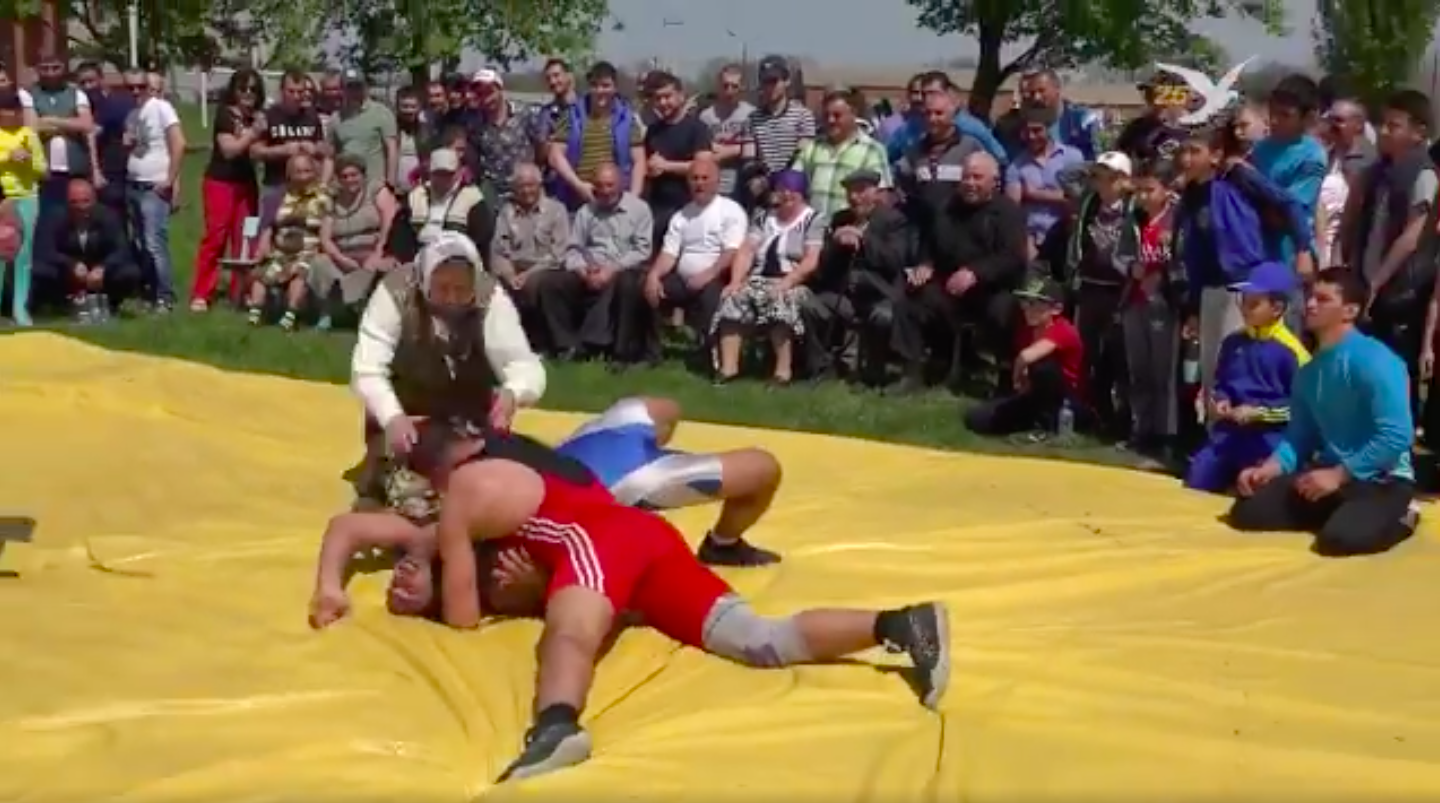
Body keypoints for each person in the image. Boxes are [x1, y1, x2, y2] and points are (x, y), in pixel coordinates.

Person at [409, 429, 951, 782]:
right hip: (647, 538)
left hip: (599, 541)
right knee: (761, 638)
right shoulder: (542, 463)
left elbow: (463, 618)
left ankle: (556, 725)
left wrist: (443, 586)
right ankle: (899, 623)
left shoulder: (466, 490)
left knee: (569, 633)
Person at [1230, 269, 1419, 557]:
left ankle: (1403, 516)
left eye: (1323, 299)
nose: (1310, 305)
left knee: (1340, 541)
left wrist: (1340, 474)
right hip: (1329, 477)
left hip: (1382, 479)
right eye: (1310, 297)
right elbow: (1299, 438)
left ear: (1350, 311)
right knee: (1247, 512)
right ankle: (1340, 514)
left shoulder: (1377, 360)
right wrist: (1268, 469)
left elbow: (1397, 436)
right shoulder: (1309, 372)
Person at [349, 231, 545, 507]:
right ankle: (381, 474)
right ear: (424, 280)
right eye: (442, 288)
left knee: (474, 481)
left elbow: (523, 364)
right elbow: (367, 370)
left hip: (467, 410)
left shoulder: (491, 298)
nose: (452, 299)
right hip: (407, 406)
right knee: (400, 485)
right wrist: (391, 416)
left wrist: (513, 392)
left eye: (462, 290)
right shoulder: (394, 293)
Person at [556, 396, 781, 565]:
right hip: (618, 484)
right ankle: (723, 546)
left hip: (574, 459)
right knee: (764, 468)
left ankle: (652, 473)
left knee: (665, 408)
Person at [1184, 262, 1309, 492]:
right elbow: (1222, 383)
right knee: (1197, 480)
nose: (1244, 308)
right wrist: (1220, 400)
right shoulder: (1233, 342)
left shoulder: (1293, 353)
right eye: (1243, 301)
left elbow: (1303, 410)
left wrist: (1259, 413)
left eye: (1254, 304)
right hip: (1230, 434)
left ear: (1277, 308)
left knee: (1259, 490)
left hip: (1268, 439)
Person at [710, 169, 825, 385]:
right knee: (733, 297)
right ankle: (729, 368)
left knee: (780, 300)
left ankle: (782, 372)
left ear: (800, 195)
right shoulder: (764, 217)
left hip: (794, 279)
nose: (784, 197)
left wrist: (787, 282)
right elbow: (747, 251)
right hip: (760, 277)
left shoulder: (813, 220)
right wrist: (735, 281)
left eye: (790, 193)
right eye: (780, 192)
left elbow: (811, 260)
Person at [964, 275, 1085, 438]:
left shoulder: (1063, 329)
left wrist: (1017, 379)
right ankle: (1033, 422)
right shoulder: (1026, 330)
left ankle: (1048, 425)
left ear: (1055, 309)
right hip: (1032, 394)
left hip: (1066, 401)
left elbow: (1026, 357)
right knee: (978, 418)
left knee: (1043, 367)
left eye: (1035, 303)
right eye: (1025, 302)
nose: (1027, 308)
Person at [193, 69, 264, 311]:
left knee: (246, 238)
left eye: (253, 89)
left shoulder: (258, 116)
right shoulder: (225, 115)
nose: (247, 94)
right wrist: (253, 134)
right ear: (233, 90)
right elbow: (229, 150)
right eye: (242, 88)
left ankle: (241, 291)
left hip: (248, 184)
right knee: (216, 237)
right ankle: (202, 293)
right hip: (221, 183)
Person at [247, 154, 329, 330]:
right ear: (289, 174)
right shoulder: (280, 196)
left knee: (299, 273)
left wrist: (324, 247)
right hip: (281, 249)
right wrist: (263, 243)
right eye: (298, 172)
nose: (303, 176)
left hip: (308, 249)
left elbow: (328, 225)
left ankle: (290, 315)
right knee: (262, 273)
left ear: (315, 172)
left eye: (307, 171)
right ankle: (255, 313)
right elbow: (268, 224)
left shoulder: (323, 196)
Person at [46, 177, 135, 323]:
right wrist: (71, 264)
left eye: (85, 201)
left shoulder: (109, 216)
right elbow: (46, 251)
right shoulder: (55, 217)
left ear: (94, 200)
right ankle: (61, 304)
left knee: (129, 272)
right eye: (75, 202)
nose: (81, 207)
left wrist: (103, 267)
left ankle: (111, 304)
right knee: (41, 271)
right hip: (69, 273)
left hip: (99, 272)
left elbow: (122, 249)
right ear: (67, 201)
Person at [0, 88, 45, 326]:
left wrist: (28, 161)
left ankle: (20, 308)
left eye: (13, 111)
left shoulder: (29, 135)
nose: (9, 115)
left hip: (27, 197)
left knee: (23, 255)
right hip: (2, 198)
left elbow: (41, 169)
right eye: (4, 110)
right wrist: (8, 157)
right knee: (0, 254)